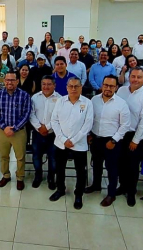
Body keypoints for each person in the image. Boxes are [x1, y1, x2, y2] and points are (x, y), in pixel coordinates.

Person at [85, 75, 131, 207]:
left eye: (111, 86)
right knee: (96, 164)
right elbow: (89, 119)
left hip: (112, 141)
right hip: (95, 139)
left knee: (112, 169)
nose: (108, 88)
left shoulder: (121, 104)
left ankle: (111, 194)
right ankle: (96, 185)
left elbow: (125, 125)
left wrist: (114, 140)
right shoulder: (94, 100)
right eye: (105, 85)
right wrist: (89, 134)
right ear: (102, 85)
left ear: (116, 87)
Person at [49, 77, 94, 210]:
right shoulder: (60, 101)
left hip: (79, 144)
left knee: (80, 171)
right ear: (67, 87)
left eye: (76, 86)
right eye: (71, 86)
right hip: (60, 143)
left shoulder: (87, 103)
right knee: (59, 168)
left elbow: (88, 124)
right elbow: (54, 121)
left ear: (81, 87)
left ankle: (78, 194)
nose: (73, 89)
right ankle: (60, 189)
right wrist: (63, 139)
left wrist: (73, 140)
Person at [116, 67, 143, 206]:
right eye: (133, 76)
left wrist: (135, 140)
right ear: (129, 77)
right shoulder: (121, 91)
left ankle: (131, 192)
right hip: (120, 134)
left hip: (135, 135)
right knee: (120, 163)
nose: (135, 80)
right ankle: (122, 186)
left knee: (132, 166)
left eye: (139, 77)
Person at [0, 70, 31, 190]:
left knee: (20, 157)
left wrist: (14, 128)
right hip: (2, 131)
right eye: (7, 80)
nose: (10, 82)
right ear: (4, 81)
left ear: (17, 81)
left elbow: (26, 114)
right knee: (4, 156)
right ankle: (6, 175)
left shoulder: (24, 95)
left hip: (18, 132)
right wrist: (4, 127)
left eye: (12, 80)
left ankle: (20, 177)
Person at [29, 75, 61, 189]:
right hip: (37, 133)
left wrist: (46, 127)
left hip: (53, 134)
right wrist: (39, 127)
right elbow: (31, 114)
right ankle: (38, 176)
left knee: (53, 158)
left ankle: (51, 178)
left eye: (49, 84)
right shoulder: (35, 98)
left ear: (54, 85)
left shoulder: (60, 99)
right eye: (44, 84)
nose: (46, 87)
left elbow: (59, 117)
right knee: (36, 156)